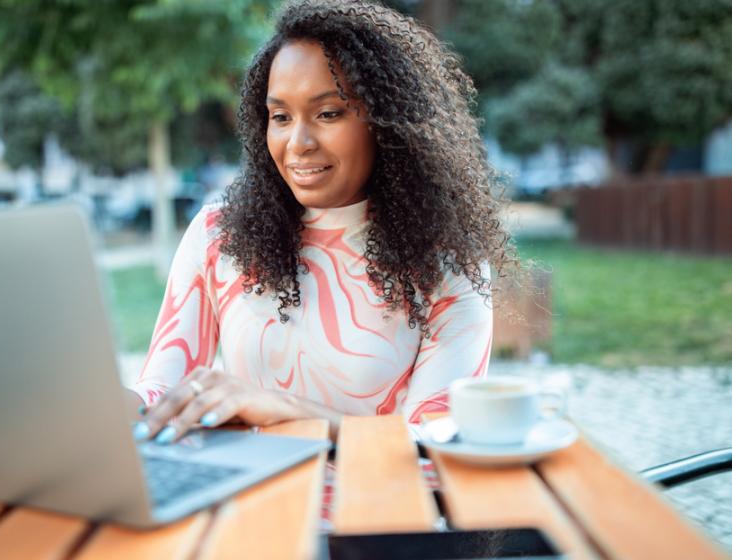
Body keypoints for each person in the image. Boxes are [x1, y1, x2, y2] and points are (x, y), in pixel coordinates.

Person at [127, 0, 515, 444]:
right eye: (280, 117)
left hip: (379, 507)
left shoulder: (447, 260)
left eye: (328, 113)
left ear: (387, 122)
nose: (298, 143)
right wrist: (105, 405)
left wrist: (288, 411)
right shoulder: (220, 234)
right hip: (246, 502)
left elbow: (435, 440)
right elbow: (161, 392)